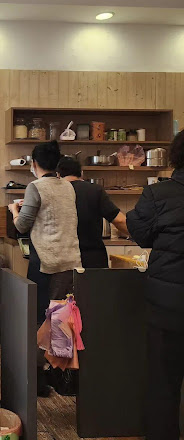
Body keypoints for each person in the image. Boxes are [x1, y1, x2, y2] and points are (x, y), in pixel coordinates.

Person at [9, 141, 82, 396]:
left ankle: (38, 379)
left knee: (40, 320)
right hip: (70, 260)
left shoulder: (36, 187)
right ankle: (60, 376)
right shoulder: (68, 187)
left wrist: (14, 211)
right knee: (61, 319)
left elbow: (22, 225)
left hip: (46, 263)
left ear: (34, 163)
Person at [126, 130, 184, 440]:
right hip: (168, 303)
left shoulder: (158, 193)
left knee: (163, 382)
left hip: (168, 306)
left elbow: (141, 233)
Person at [56, 156, 129, 268]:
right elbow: (119, 220)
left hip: (62, 257)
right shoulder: (95, 190)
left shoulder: (53, 192)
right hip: (93, 257)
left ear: (58, 175)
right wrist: (139, 235)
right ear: (81, 173)